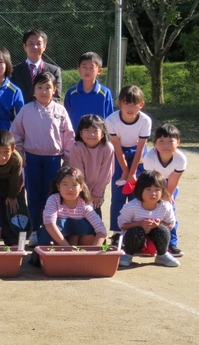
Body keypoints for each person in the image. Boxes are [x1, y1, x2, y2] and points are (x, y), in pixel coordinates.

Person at [10, 71, 75, 246]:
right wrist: (20, 154)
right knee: (33, 195)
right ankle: (35, 231)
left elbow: (69, 136)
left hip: (53, 159)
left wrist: (67, 159)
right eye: (40, 87)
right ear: (34, 90)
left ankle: (49, 231)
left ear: (54, 90)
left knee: (51, 195)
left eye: (48, 87)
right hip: (31, 159)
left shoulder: (60, 110)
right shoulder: (26, 110)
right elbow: (15, 134)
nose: (44, 91)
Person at [105, 85, 151, 247]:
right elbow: (117, 148)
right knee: (118, 195)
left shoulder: (145, 121)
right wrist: (125, 172)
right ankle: (117, 233)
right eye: (126, 104)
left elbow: (140, 149)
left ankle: (135, 233)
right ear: (119, 103)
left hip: (138, 154)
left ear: (141, 104)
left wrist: (132, 174)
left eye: (134, 104)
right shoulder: (111, 120)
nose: (130, 108)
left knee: (136, 195)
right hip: (119, 154)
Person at [139, 124, 187, 257]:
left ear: (178, 142)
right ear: (154, 143)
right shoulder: (149, 158)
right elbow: (150, 180)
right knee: (146, 210)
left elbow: (174, 178)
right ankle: (142, 242)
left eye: (170, 141)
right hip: (151, 182)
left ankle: (171, 244)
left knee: (170, 211)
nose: (166, 145)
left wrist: (168, 195)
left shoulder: (181, 158)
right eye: (161, 141)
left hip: (169, 184)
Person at [117, 170, 180, 268]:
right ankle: (128, 254)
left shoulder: (166, 206)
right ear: (140, 190)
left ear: (163, 191)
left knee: (163, 230)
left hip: (154, 237)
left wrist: (159, 224)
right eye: (148, 189)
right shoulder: (131, 206)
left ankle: (162, 255)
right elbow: (122, 225)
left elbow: (170, 225)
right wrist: (140, 223)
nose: (153, 193)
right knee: (136, 231)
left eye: (157, 189)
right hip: (135, 237)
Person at [37, 166, 107, 247]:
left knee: (88, 229)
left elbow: (101, 229)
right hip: (59, 245)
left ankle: (81, 256)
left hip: (79, 246)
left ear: (81, 187)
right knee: (50, 229)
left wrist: (94, 251)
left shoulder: (84, 204)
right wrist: (67, 248)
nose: (70, 189)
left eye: (74, 185)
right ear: (58, 186)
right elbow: (49, 224)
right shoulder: (53, 199)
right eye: (65, 184)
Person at [70, 114, 114, 218]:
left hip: (98, 189)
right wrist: (84, 192)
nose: (91, 134)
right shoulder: (77, 148)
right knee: (79, 214)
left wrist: (96, 193)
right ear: (80, 133)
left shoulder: (107, 148)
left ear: (102, 134)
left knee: (95, 212)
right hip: (80, 187)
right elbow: (77, 173)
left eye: (95, 131)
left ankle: (97, 233)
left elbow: (106, 173)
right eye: (87, 130)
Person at [64, 52, 114, 130]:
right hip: (75, 138)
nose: (87, 71)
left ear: (99, 71)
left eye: (91, 67)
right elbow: (65, 117)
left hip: (98, 137)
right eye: (84, 67)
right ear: (79, 69)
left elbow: (110, 118)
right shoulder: (71, 93)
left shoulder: (105, 93)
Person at [11, 29, 63, 103]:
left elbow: (56, 98)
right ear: (24, 47)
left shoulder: (54, 71)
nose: (35, 47)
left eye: (38, 44)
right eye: (31, 43)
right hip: (22, 113)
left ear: (44, 47)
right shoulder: (14, 72)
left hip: (46, 113)